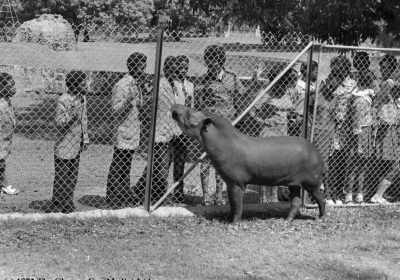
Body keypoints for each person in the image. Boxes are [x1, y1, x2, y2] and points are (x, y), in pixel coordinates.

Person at [196, 45, 246, 205]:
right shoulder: (203, 80)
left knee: (222, 161)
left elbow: (241, 97)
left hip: (226, 127)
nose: (210, 64)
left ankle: (218, 195)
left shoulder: (232, 77)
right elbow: (198, 103)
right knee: (205, 160)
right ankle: (205, 196)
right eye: (208, 61)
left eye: (213, 60)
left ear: (220, 60)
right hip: (209, 127)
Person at [134, 56, 183, 204]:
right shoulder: (160, 85)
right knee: (161, 168)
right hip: (159, 131)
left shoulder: (172, 85)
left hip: (169, 131)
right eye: (173, 70)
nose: (175, 73)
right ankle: (158, 197)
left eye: (177, 71)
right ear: (166, 69)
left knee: (156, 164)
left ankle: (139, 190)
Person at [106, 52, 152, 208]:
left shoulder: (137, 84)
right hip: (123, 131)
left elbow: (139, 106)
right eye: (141, 66)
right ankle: (112, 197)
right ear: (132, 66)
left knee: (126, 166)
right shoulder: (122, 85)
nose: (144, 70)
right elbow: (115, 109)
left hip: (134, 130)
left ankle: (123, 195)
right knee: (118, 165)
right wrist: (128, 100)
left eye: (144, 66)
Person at [319, 55, 357, 205]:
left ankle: (338, 193)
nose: (335, 70)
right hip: (330, 126)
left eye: (339, 67)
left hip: (347, 128)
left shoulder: (353, 84)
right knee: (331, 160)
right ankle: (328, 193)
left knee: (344, 160)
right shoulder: (328, 82)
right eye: (333, 67)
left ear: (346, 68)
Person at [52, 70, 89, 213]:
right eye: (83, 83)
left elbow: (84, 120)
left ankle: (68, 200)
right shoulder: (64, 99)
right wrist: (71, 116)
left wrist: (85, 138)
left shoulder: (82, 98)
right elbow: (60, 122)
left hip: (76, 141)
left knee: (73, 175)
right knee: (62, 175)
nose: (86, 85)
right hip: (64, 143)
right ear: (74, 85)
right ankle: (57, 203)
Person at [344, 53, 376, 204]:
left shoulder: (368, 95)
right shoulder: (359, 98)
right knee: (353, 163)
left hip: (367, 130)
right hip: (360, 132)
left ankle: (360, 192)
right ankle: (349, 193)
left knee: (363, 164)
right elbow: (357, 120)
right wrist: (358, 142)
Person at [371, 54, 400, 204]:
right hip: (384, 127)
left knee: (392, 163)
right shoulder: (382, 83)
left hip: (394, 126)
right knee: (393, 164)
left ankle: (380, 194)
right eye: (381, 67)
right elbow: (379, 97)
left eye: (386, 67)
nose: (383, 69)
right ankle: (377, 195)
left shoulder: (393, 84)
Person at [169, 55, 195, 203]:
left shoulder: (190, 85)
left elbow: (191, 108)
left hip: (184, 129)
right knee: (165, 162)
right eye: (181, 67)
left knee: (180, 163)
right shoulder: (171, 84)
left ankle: (178, 194)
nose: (183, 70)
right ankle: (157, 192)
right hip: (172, 128)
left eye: (186, 67)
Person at [288, 60, 319, 137]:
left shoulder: (309, 86)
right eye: (316, 72)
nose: (317, 75)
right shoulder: (301, 87)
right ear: (309, 72)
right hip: (299, 122)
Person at [0, 72, 18, 195]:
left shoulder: (7, 102)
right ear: (2, 88)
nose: (14, 88)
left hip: (5, 141)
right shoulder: (1, 105)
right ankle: (5, 185)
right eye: (11, 86)